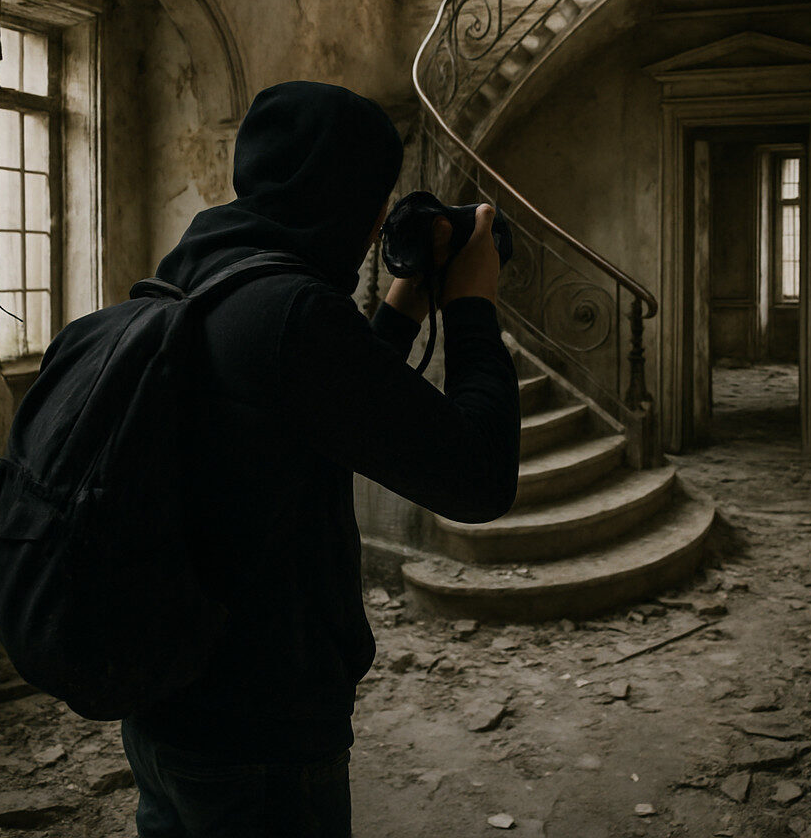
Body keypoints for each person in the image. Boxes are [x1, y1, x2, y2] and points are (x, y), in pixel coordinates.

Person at [120, 81, 521, 837]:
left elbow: (309, 406)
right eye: (378, 202)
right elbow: (480, 479)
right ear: (354, 202)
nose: (378, 228)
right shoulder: (296, 315)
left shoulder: (196, 275)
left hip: (162, 705)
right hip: (263, 731)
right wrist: (472, 305)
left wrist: (400, 306)